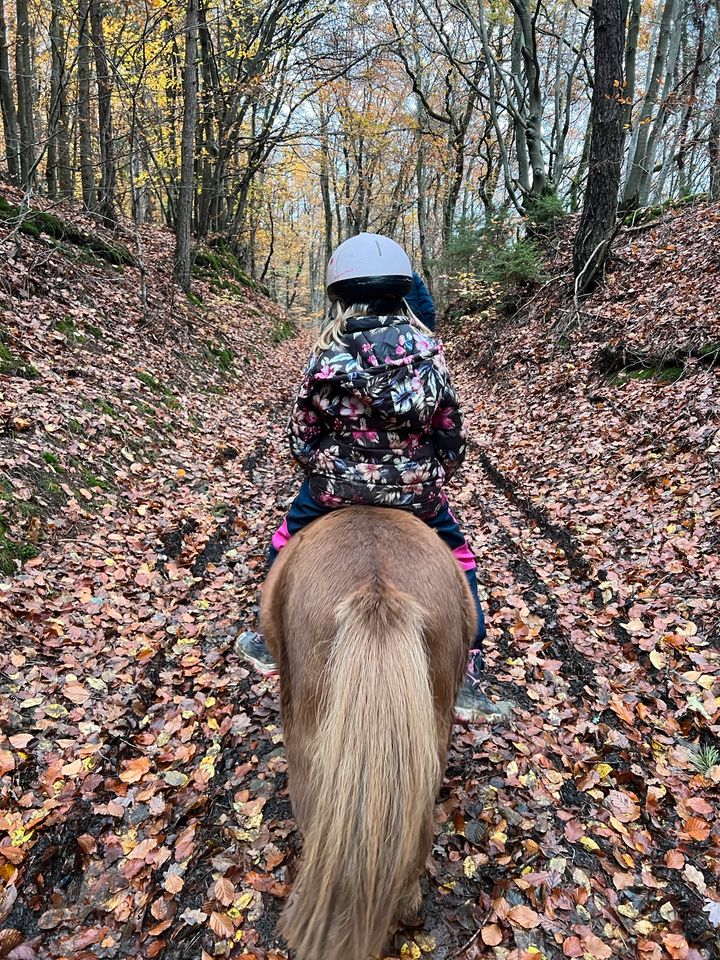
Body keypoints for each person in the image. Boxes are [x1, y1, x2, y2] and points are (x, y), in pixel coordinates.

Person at [237, 232, 489, 720]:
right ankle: (469, 665)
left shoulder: (326, 354)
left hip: (335, 491)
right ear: (402, 294)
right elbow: (449, 426)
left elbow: (302, 430)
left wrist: (317, 466)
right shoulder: (428, 351)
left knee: (285, 540)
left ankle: (267, 640)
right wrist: (438, 472)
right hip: (416, 494)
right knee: (460, 558)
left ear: (341, 298)